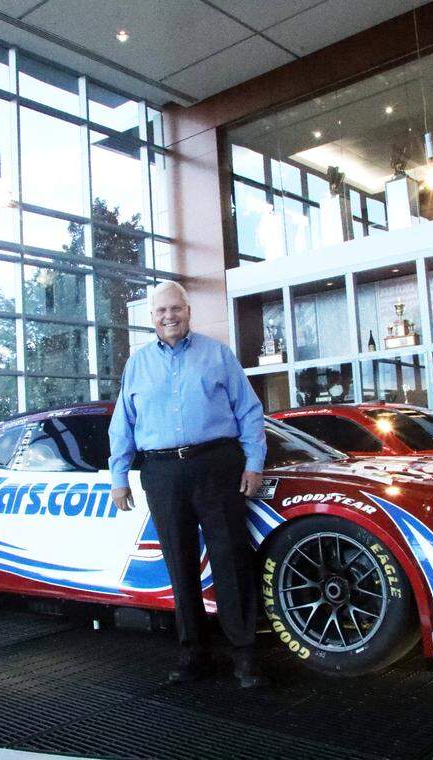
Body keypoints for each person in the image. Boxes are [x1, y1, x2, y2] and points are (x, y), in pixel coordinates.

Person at [109, 280, 268, 688]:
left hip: (218, 466)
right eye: (161, 311)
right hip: (161, 473)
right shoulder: (137, 365)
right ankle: (192, 652)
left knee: (231, 560)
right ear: (152, 317)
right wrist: (119, 477)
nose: (169, 316)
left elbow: (249, 411)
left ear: (188, 310)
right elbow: (122, 424)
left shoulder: (217, 355)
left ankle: (245, 655)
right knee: (180, 566)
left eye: (175, 308)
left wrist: (253, 463)